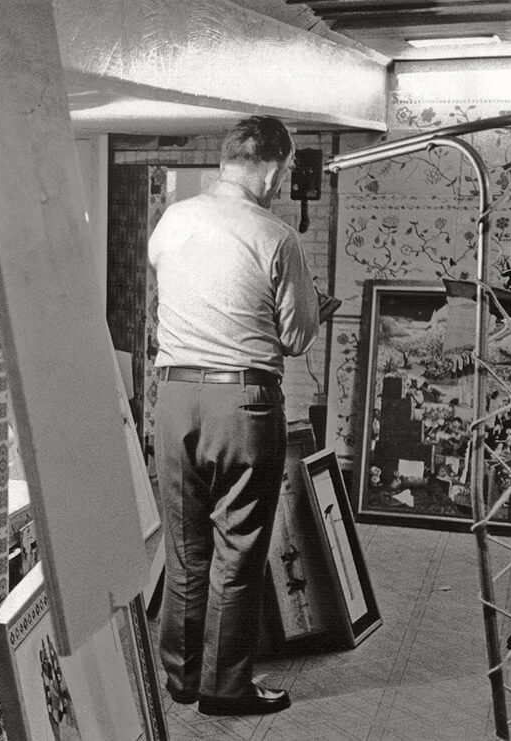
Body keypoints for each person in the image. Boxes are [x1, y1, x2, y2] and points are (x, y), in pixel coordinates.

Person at [148, 116, 320, 716]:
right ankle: (225, 688)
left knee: (186, 549)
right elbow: (297, 337)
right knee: (238, 548)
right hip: (241, 403)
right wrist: (313, 305)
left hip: (171, 400)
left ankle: (182, 677)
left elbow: (166, 300)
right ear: (274, 166)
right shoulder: (275, 235)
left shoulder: (172, 220)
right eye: (287, 172)